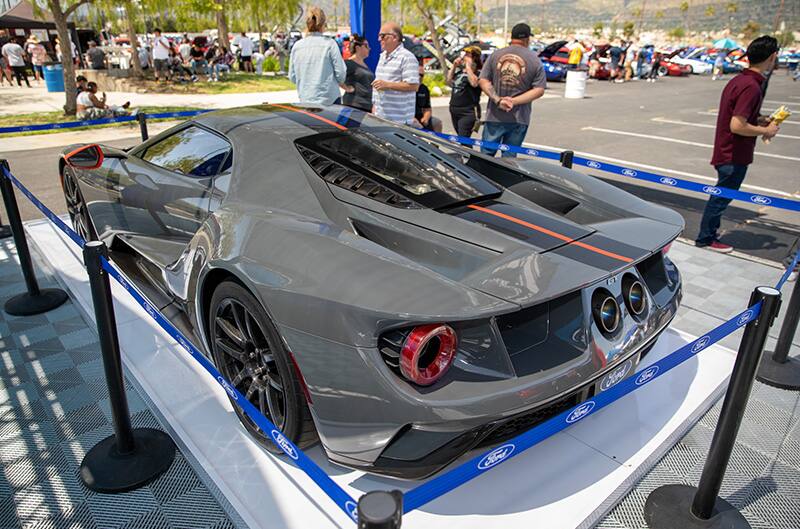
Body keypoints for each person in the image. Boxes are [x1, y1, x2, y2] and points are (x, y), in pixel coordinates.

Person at [695, 36, 781, 253]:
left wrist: (759, 119)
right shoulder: (751, 86)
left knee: (720, 196)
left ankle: (707, 236)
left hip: (729, 151)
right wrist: (766, 130)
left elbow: (738, 116)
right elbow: (737, 125)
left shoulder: (739, 80)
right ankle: (706, 238)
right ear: (772, 57)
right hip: (733, 154)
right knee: (720, 198)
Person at [478, 23, 546, 157]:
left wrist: (498, 100)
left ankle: (482, 177)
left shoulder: (495, 55)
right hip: (519, 119)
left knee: (485, 156)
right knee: (509, 159)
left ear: (512, 37)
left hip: (495, 116)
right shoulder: (534, 60)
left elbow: (483, 80)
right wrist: (513, 101)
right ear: (527, 39)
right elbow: (539, 89)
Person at [288, 7, 346, 106]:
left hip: (306, 100)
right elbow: (341, 75)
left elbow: (292, 77)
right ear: (323, 24)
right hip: (330, 100)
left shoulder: (297, 47)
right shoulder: (330, 44)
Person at [372, 22, 419, 124]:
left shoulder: (407, 57)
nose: (379, 39)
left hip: (399, 121)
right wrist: (374, 107)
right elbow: (378, 85)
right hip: (381, 118)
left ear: (394, 37)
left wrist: (387, 85)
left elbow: (413, 86)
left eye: (383, 36)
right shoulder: (382, 56)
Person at [447, 45, 482, 137]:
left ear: (474, 57)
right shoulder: (460, 72)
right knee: (461, 138)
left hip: (467, 111)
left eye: (467, 55)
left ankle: (467, 152)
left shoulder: (478, 73)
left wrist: (468, 66)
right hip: (454, 109)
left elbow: (474, 83)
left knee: (464, 138)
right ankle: (467, 151)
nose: (464, 57)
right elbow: (449, 82)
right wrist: (454, 66)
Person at [342, 34, 374, 112]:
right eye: (366, 46)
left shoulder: (364, 65)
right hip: (354, 106)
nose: (369, 48)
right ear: (358, 48)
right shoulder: (349, 63)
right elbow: (335, 76)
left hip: (367, 107)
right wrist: (347, 88)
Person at [414, 61, 442, 132]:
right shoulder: (407, 87)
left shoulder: (424, 89)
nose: (419, 77)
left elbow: (427, 108)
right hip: (407, 117)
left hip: (420, 116)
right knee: (417, 126)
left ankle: (435, 142)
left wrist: (425, 118)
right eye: (417, 74)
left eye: (422, 75)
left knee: (437, 123)